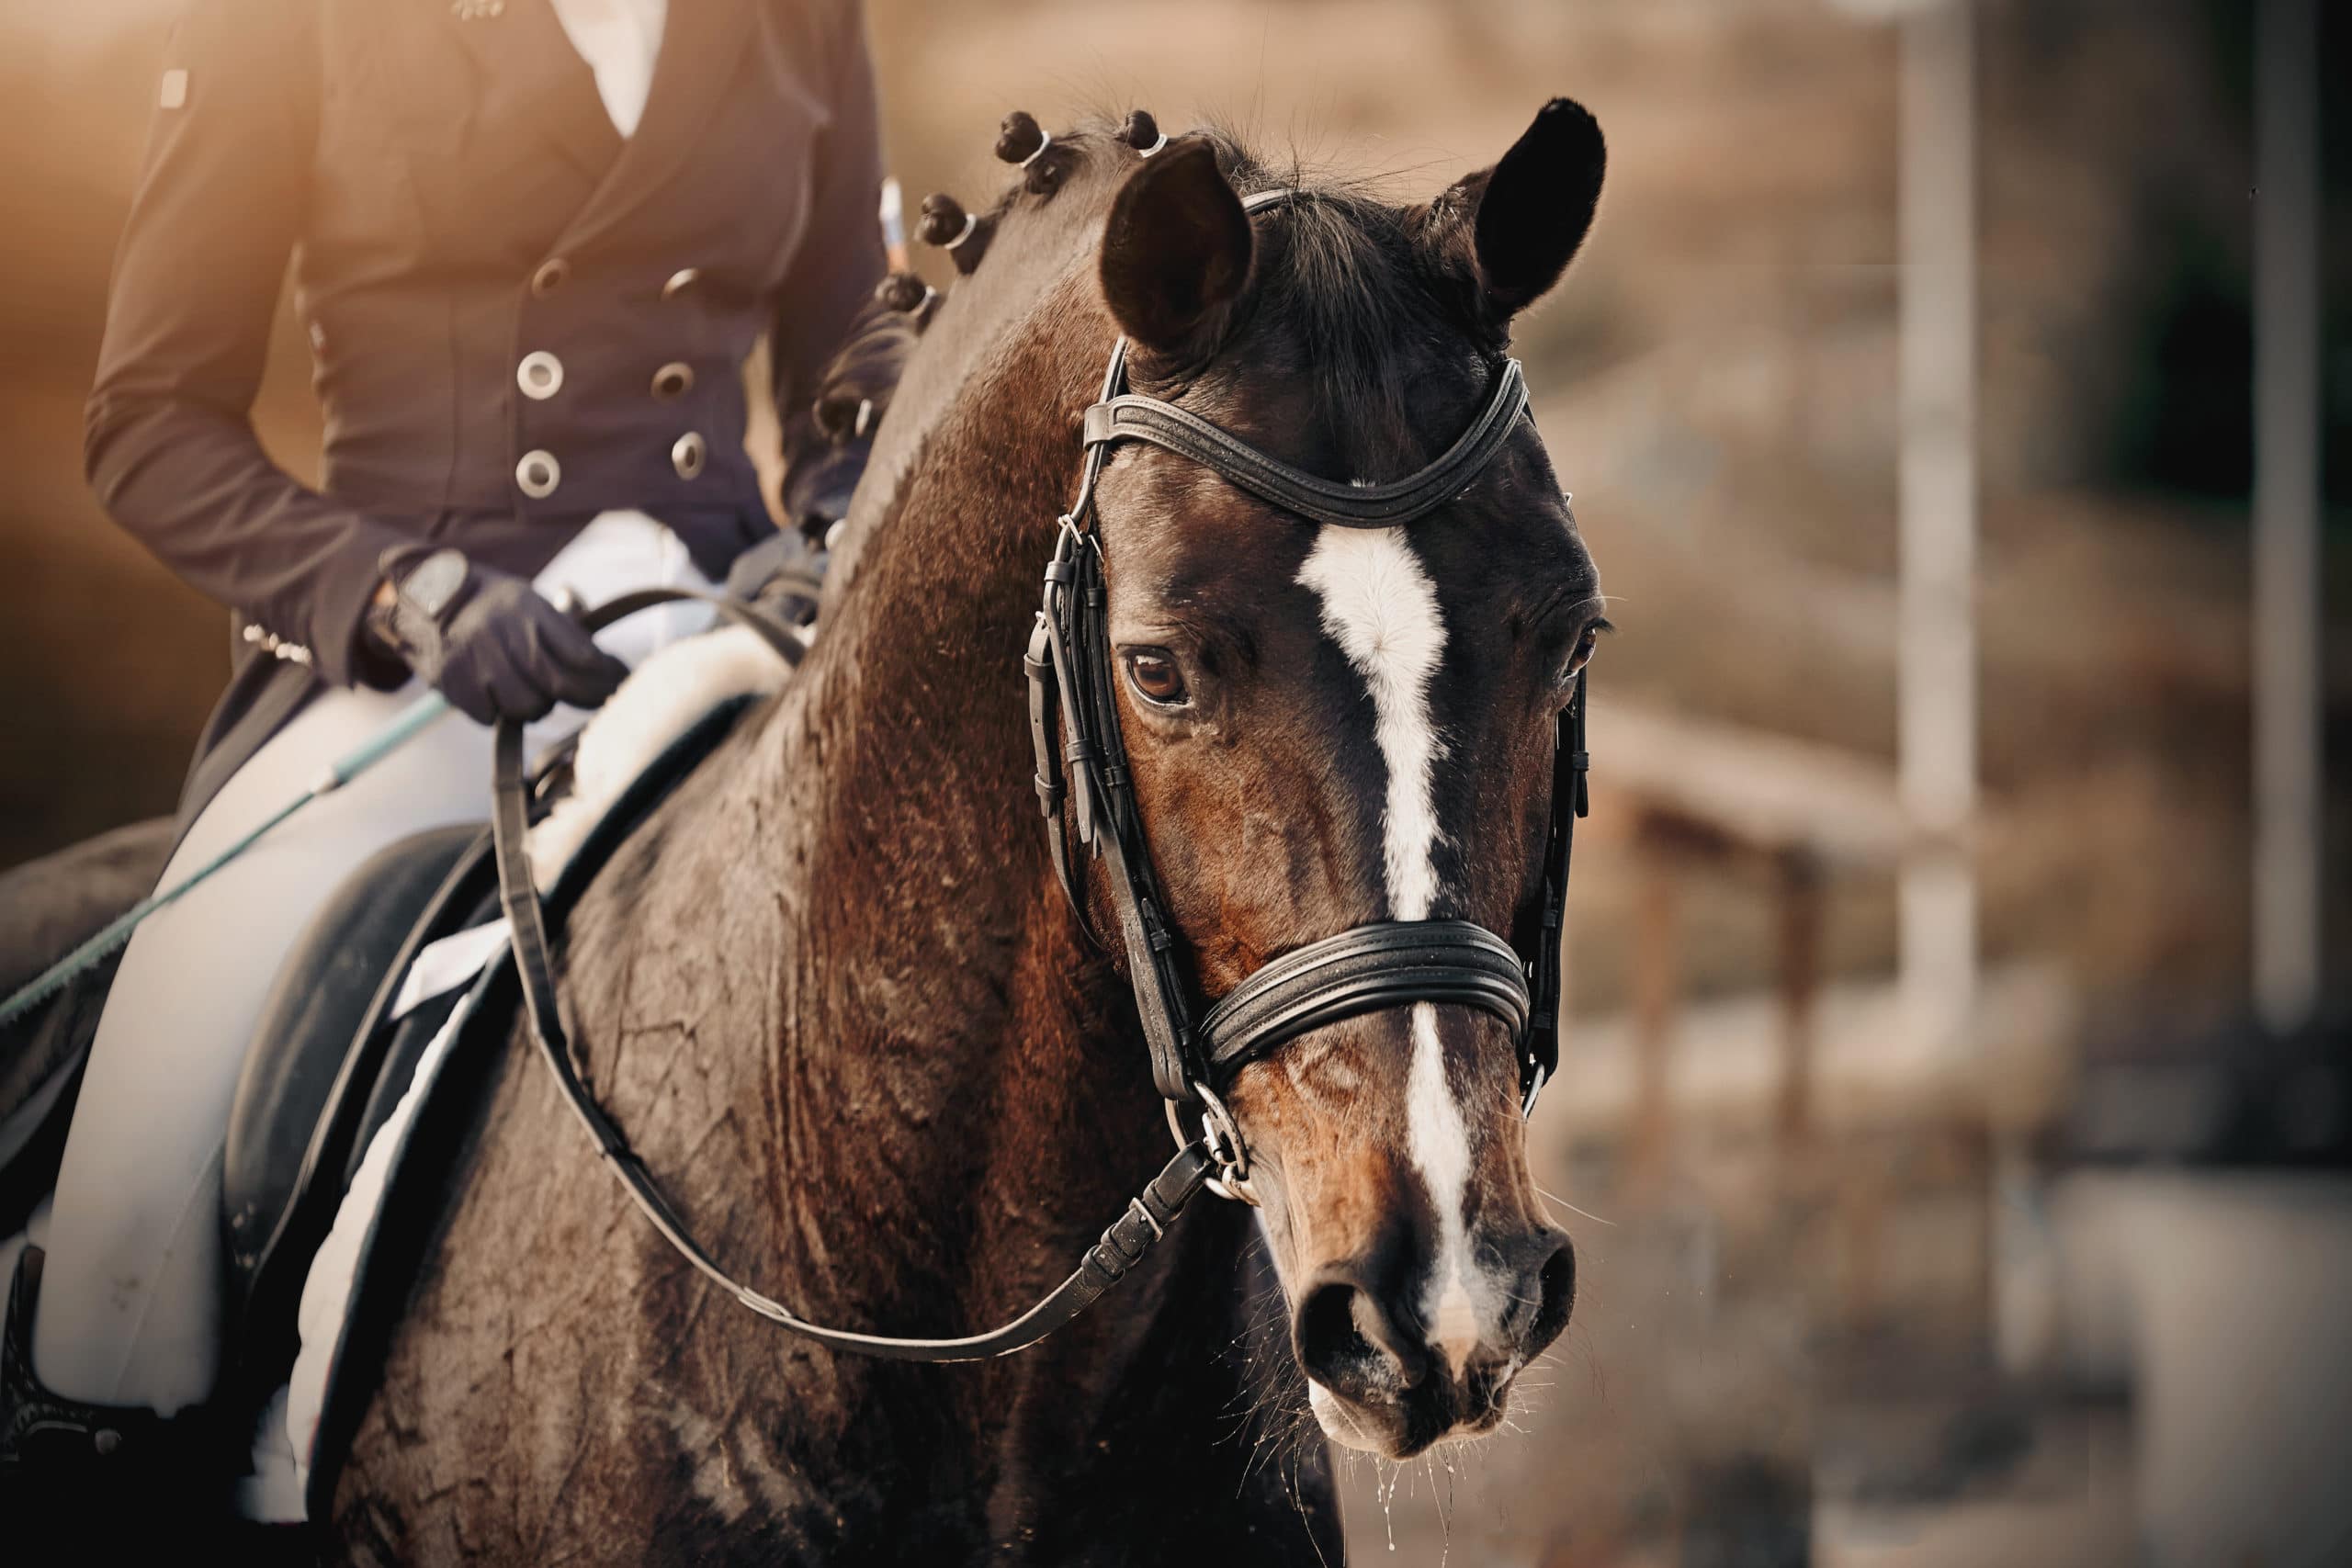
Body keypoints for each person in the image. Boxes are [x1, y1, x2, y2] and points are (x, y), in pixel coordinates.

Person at [2, 0, 903, 1495]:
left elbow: (847, 376)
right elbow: (152, 423)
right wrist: (397, 591)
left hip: (723, 632)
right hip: (417, 668)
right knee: (148, 1154)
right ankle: (96, 1458)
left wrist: (824, 534)